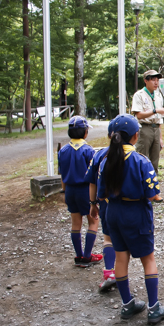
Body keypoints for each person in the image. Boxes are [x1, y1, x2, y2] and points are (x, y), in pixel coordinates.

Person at [97, 114, 164, 324]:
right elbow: (152, 194)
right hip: (136, 213)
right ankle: (154, 308)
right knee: (148, 259)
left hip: (113, 213)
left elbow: (100, 195)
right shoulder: (140, 160)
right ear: (136, 135)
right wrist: (158, 197)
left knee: (121, 258)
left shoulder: (105, 160)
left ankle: (127, 304)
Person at [58, 115, 103, 268]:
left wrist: (64, 192)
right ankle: (88, 255)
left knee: (75, 223)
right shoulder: (88, 151)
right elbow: (93, 175)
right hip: (85, 190)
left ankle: (78, 255)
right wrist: (95, 197)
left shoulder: (63, 150)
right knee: (93, 221)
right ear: (85, 133)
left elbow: (62, 175)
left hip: (70, 190)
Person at [85, 116, 119, 292]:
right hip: (128, 208)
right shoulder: (135, 157)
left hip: (106, 204)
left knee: (108, 238)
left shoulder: (99, 154)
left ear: (109, 136)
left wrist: (93, 203)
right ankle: (122, 275)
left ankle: (109, 272)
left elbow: (92, 182)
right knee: (123, 242)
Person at [131, 70, 164, 177]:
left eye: (157, 80)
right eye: (153, 80)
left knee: (155, 158)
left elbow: (159, 119)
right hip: (144, 128)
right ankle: (141, 180)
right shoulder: (139, 95)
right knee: (142, 156)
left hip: (156, 128)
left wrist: (161, 138)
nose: (156, 83)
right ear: (146, 80)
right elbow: (138, 115)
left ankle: (153, 182)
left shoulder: (158, 96)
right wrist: (156, 110)